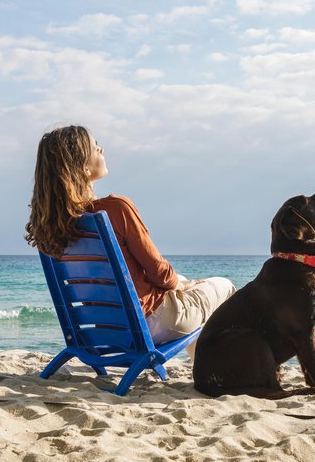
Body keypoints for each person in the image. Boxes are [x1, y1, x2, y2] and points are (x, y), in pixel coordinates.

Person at [25, 125, 235, 346]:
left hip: (102, 332)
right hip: (148, 326)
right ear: (83, 167)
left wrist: (178, 283)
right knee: (225, 287)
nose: (102, 150)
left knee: (182, 281)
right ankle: (216, 371)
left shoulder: (50, 225)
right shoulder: (116, 209)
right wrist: (178, 285)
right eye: (96, 148)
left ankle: (201, 365)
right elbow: (160, 272)